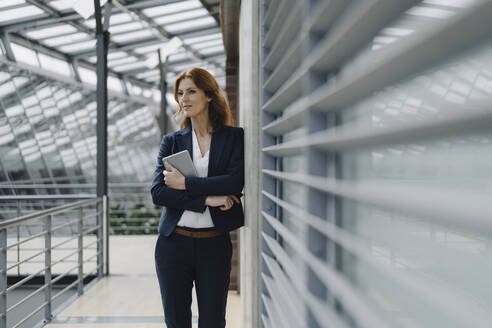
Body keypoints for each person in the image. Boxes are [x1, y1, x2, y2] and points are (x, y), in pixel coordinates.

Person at [151, 67, 244, 328]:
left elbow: (234, 182)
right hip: (173, 246)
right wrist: (206, 199)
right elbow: (158, 192)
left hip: (214, 246)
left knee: (213, 322)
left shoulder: (234, 138)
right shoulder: (171, 142)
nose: (184, 99)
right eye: (180, 93)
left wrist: (186, 183)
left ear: (209, 95)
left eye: (191, 91)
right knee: (177, 322)